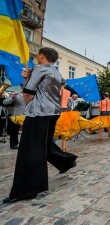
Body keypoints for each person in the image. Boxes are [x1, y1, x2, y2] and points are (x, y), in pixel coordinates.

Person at [3, 47, 78, 204]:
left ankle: (27, 189)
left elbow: (29, 93)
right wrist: (27, 79)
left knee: (29, 149)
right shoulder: (57, 72)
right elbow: (41, 88)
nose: (37, 57)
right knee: (44, 144)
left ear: (42, 56)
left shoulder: (39, 68)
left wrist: (28, 91)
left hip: (39, 112)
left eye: (38, 55)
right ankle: (66, 162)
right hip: (53, 112)